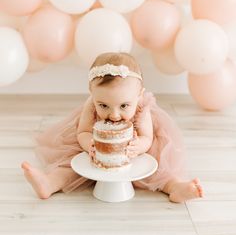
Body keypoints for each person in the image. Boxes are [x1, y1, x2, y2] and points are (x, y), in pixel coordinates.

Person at [21, 52, 203, 203]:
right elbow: (83, 131)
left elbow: (147, 137)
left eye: (124, 106)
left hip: (136, 149)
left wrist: (138, 146)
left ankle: (175, 187)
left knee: (157, 169)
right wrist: (89, 145)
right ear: (92, 94)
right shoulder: (91, 104)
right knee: (74, 164)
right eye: (104, 106)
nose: (114, 115)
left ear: (138, 95)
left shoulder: (142, 107)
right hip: (97, 145)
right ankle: (50, 183)